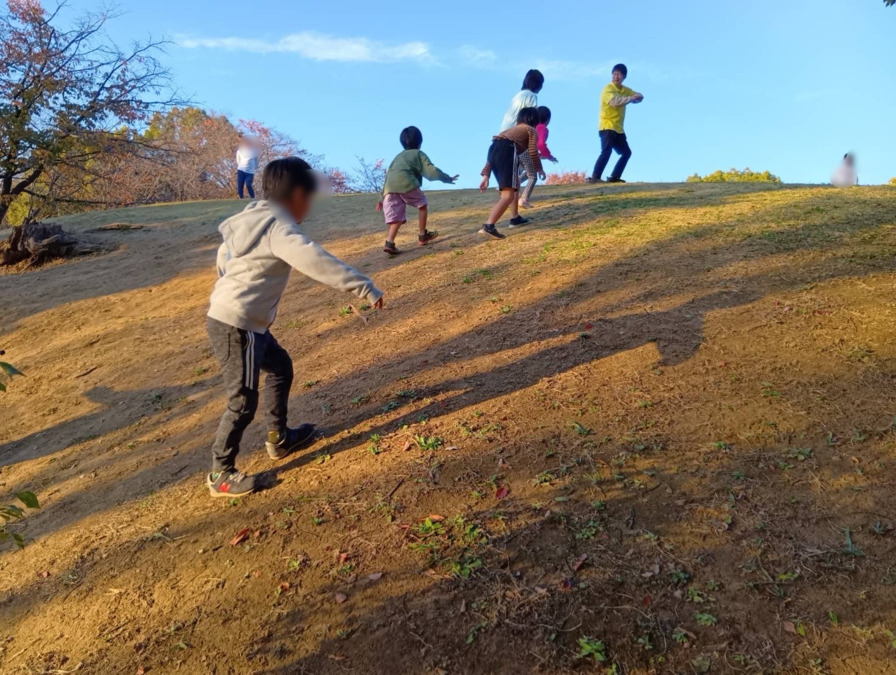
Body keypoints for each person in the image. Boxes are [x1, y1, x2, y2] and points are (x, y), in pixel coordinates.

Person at [206, 157, 384, 497]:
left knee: (280, 368)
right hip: (238, 325)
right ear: (299, 194)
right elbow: (315, 259)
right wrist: (364, 286)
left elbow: (222, 260)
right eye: (310, 198)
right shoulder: (278, 227)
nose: (310, 207)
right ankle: (220, 473)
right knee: (242, 400)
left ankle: (279, 438)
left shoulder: (250, 220)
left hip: (239, 320)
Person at [376, 126, 458, 255]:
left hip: (390, 188)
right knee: (422, 205)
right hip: (407, 183)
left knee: (397, 217)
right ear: (420, 142)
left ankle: (389, 242)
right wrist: (447, 178)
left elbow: (388, 176)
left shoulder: (398, 157)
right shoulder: (418, 154)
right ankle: (422, 235)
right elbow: (431, 171)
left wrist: (382, 198)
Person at [479, 107, 545, 239]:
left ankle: (515, 218)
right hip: (508, 150)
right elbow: (533, 151)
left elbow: (493, 154)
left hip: (494, 149)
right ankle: (489, 226)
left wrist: (486, 175)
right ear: (534, 120)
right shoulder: (530, 130)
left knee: (516, 183)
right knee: (507, 195)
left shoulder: (508, 131)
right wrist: (539, 169)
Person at [589, 64, 643, 184]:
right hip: (607, 125)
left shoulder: (625, 90)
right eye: (614, 74)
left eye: (619, 74)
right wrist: (630, 99)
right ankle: (595, 177)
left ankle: (614, 177)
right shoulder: (607, 89)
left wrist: (637, 97)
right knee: (606, 151)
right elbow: (615, 102)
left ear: (624, 76)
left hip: (618, 129)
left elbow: (639, 95)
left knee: (626, 153)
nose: (616, 76)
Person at [500, 70, 545, 210]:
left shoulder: (518, 96)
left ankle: (512, 205)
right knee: (531, 172)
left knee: (516, 170)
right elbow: (531, 118)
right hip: (517, 137)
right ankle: (523, 199)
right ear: (538, 85)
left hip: (504, 136)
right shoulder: (531, 96)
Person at [519, 105, 558, 209]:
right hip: (527, 153)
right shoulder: (542, 128)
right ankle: (523, 199)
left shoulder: (530, 127)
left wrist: (546, 156)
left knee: (527, 173)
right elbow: (540, 144)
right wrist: (548, 155)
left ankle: (507, 186)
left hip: (519, 151)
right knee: (533, 176)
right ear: (548, 119)